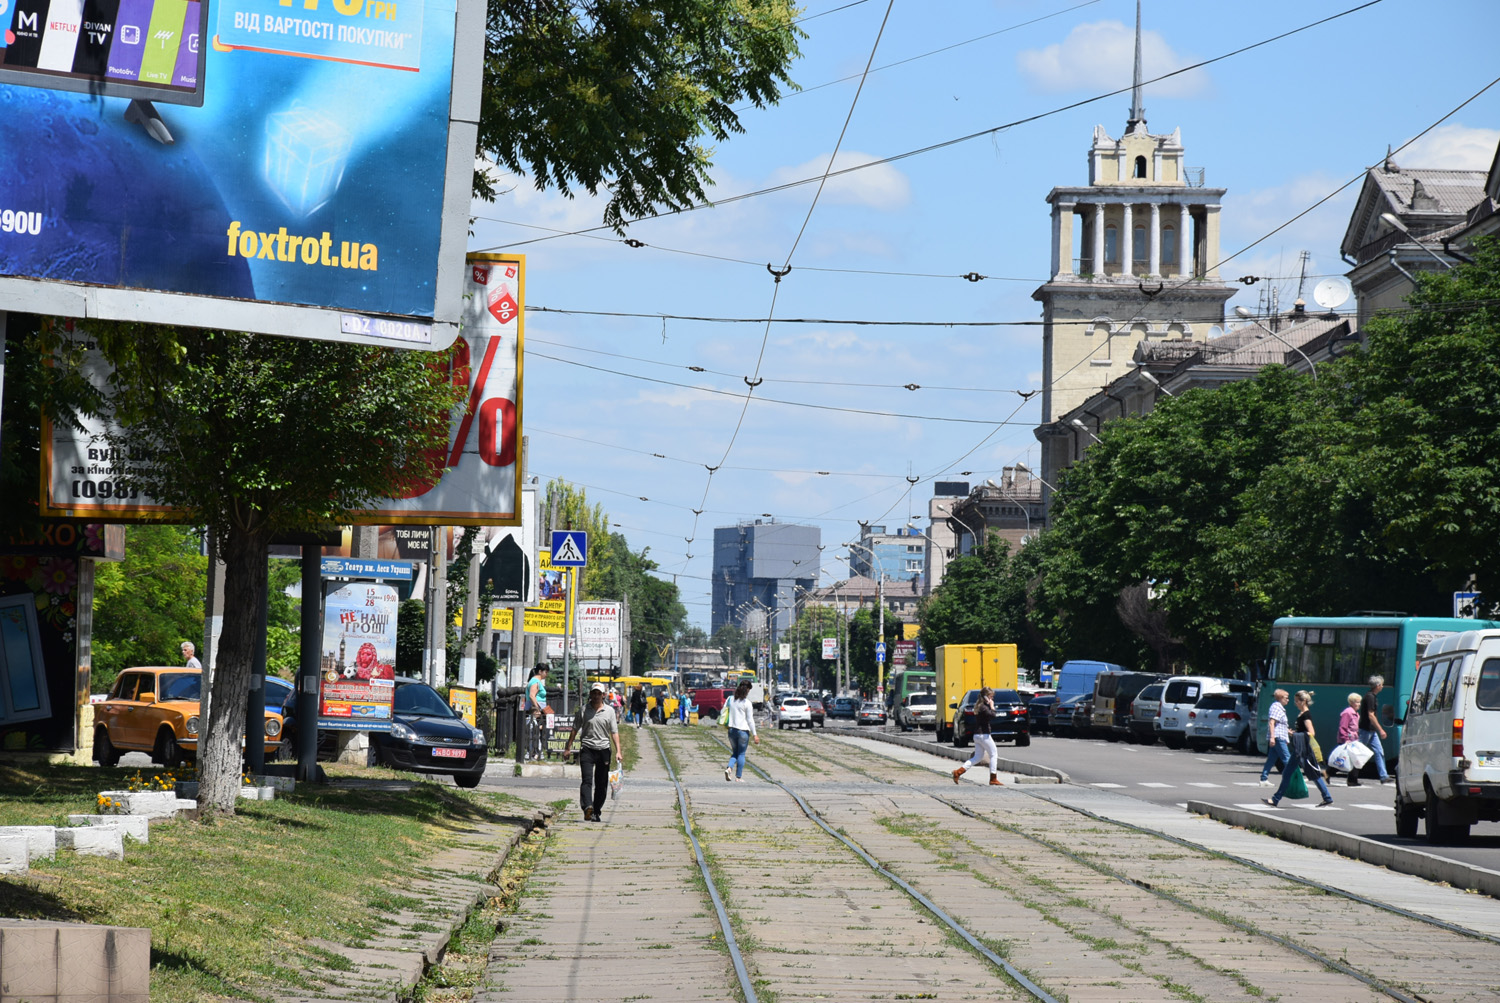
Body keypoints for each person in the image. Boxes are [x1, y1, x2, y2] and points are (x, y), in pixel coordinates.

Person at [1263, 690, 1333, 808]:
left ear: (1304, 701)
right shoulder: (1301, 714)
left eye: (1297, 701)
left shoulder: (1306, 715)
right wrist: (1293, 733)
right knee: (1294, 773)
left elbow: (1311, 733)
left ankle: (1275, 799)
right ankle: (1327, 797)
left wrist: (1295, 735)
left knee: (1304, 773)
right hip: (1300, 748)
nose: (1295, 703)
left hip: (1303, 749)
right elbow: (1302, 732)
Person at [564, 682, 622, 822]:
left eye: (599, 694)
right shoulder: (583, 710)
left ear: (603, 695)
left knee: (601, 784)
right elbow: (574, 729)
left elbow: (614, 732)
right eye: (594, 693)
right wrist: (568, 747)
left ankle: (596, 811)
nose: (596, 696)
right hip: (587, 749)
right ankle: (587, 807)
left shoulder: (609, 711)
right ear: (590, 694)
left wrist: (618, 751)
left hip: (603, 750)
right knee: (587, 780)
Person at [951, 687, 1003, 786]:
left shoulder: (979, 706)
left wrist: (990, 704)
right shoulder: (983, 707)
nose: (992, 699)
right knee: (994, 754)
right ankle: (993, 778)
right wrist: (992, 706)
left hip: (978, 735)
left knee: (977, 757)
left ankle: (958, 772)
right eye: (991, 697)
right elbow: (992, 715)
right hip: (984, 735)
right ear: (985, 697)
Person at [1359, 674, 1394, 784]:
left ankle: (1383, 776)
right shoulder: (1370, 697)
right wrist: (1381, 730)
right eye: (1382, 685)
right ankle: (1340, 771)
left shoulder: (1372, 696)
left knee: (1379, 751)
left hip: (1371, 731)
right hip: (1366, 730)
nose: (1382, 687)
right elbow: (1371, 715)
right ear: (1378, 685)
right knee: (1358, 753)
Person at [722, 681, 759, 782]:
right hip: (743, 731)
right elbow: (750, 720)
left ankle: (729, 768)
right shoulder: (747, 703)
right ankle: (738, 777)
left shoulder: (730, 699)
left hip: (731, 730)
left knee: (735, 752)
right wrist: (755, 734)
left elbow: (723, 711)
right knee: (741, 754)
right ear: (747, 690)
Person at [1258, 689, 1291, 786]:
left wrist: (1287, 731)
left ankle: (1264, 779)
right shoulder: (1276, 707)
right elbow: (1272, 722)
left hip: (1278, 736)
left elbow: (1280, 724)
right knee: (1287, 758)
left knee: (1271, 759)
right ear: (1280, 698)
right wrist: (1272, 737)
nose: (1288, 700)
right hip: (1278, 737)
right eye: (1286, 698)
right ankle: (1296, 778)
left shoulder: (1279, 707)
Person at [523, 666, 550, 761]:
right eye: (546, 672)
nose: (547, 674)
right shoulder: (535, 682)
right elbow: (532, 695)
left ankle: (535, 752)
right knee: (534, 732)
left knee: (535, 732)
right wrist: (537, 708)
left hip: (539, 710)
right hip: (536, 711)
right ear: (540, 671)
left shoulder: (534, 681)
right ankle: (535, 752)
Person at [1339, 692, 1363, 786]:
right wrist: (1345, 739)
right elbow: (1343, 727)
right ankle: (1352, 781)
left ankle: (1352, 780)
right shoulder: (1348, 712)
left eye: (1359, 702)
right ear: (1352, 702)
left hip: (1354, 740)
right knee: (1352, 760)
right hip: (1348, 740)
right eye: (1357, 702)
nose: (1359, 704)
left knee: (1354, 760)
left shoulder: (1355, 713)